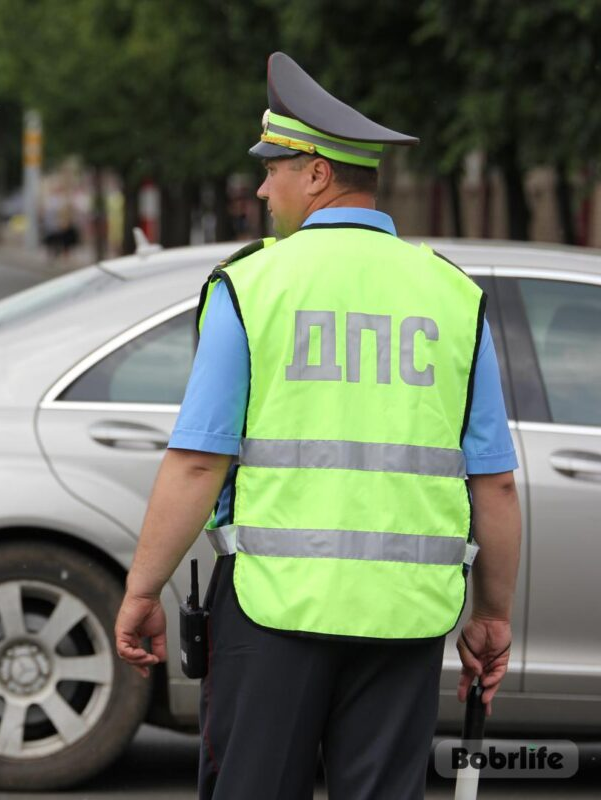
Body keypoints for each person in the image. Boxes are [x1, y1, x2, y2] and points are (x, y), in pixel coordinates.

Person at [114, 52, 521, 799]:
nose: (263, 188)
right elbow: (493, 484)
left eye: (273, 168)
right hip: (405, 617)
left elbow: (199, 465)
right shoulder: (452, 295)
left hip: (273, 609)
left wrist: (144, 588)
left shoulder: (253, 283)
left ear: (317, 174)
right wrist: (492, 614)